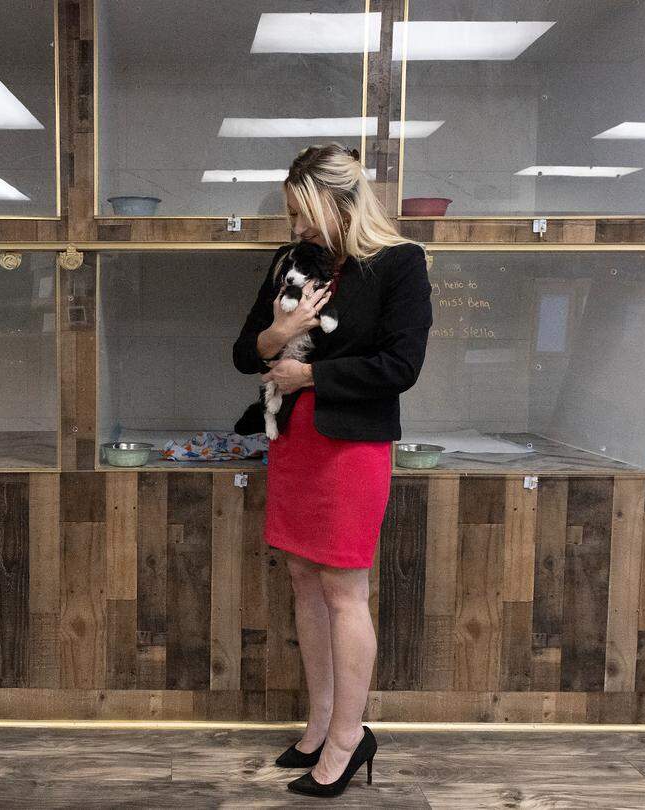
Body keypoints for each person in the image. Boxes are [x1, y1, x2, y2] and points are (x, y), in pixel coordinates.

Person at [232, 143, 433, 798]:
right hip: (294, 442)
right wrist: (279, 328)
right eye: (293, 216)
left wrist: (310, 372)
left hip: (351, 448)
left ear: (338, 202)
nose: (297, 229)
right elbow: (244, 352)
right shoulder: (291, 262)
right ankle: (319, 722)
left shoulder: (400, 264)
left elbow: (401, 369)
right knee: (301, 579)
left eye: (303, 214)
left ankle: (351, 736)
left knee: (344, 590)